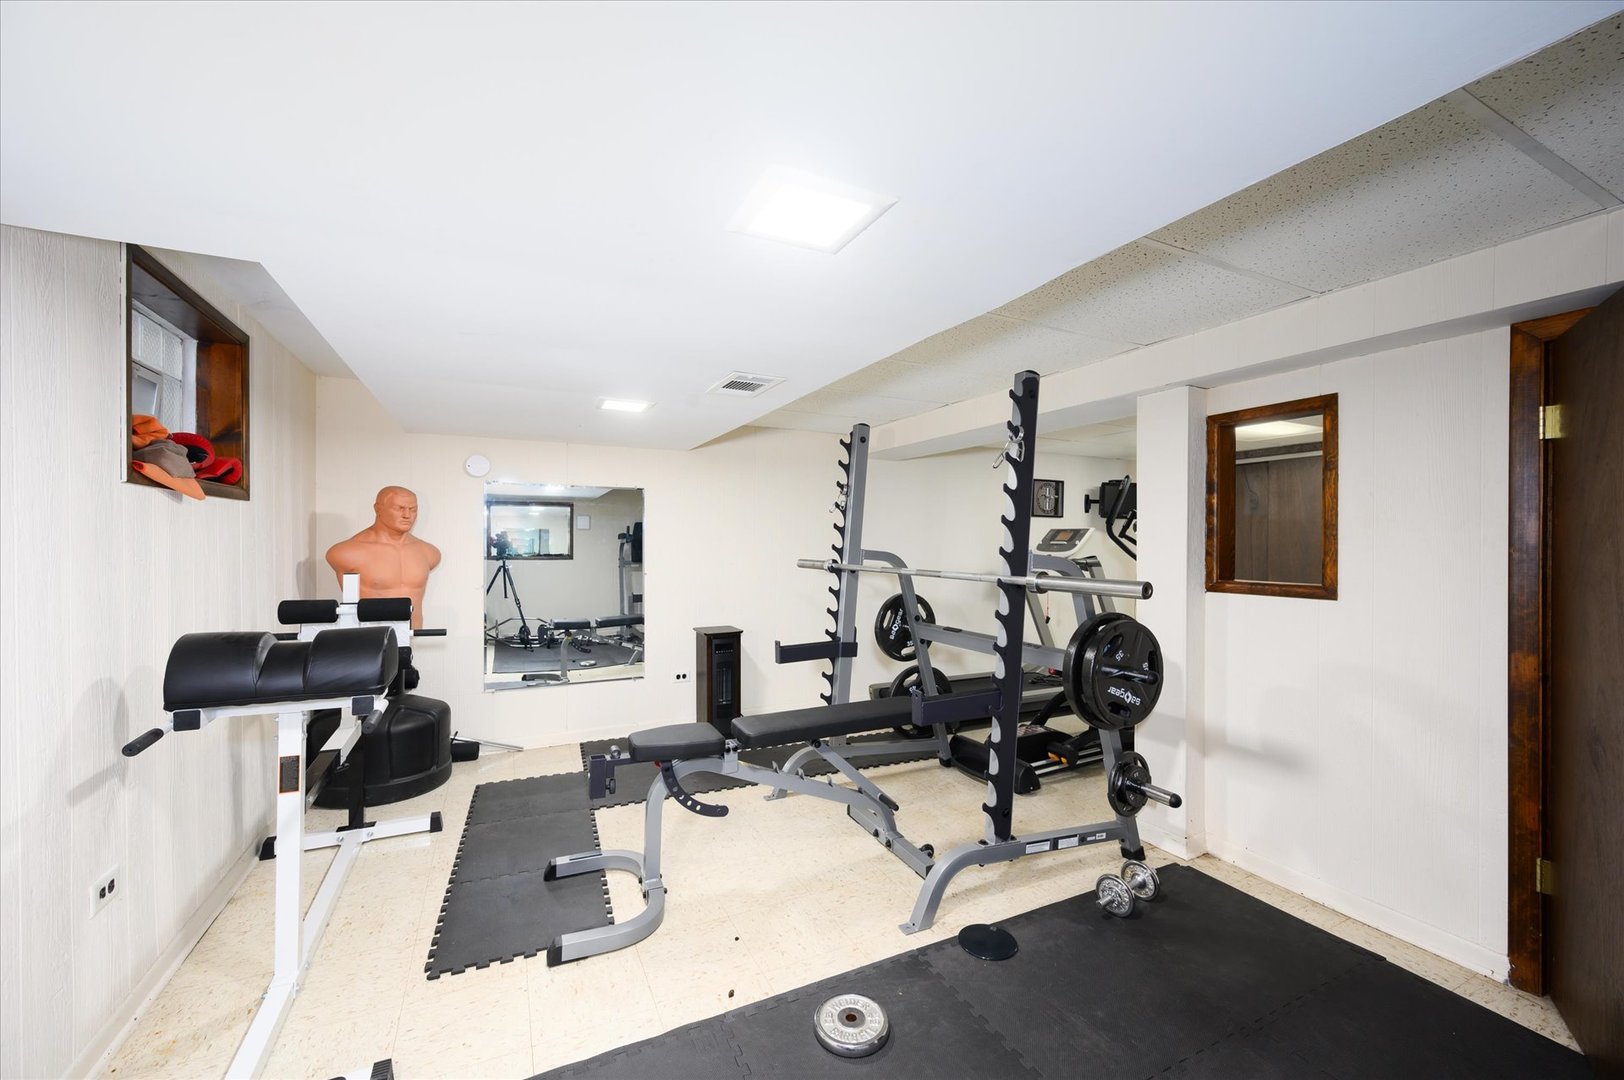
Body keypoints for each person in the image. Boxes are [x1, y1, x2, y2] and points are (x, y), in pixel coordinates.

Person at [326, 486, 442, 628]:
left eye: (413, 509)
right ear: (378, 509)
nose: (407, 515)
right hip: (368, 639)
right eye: (399, 508)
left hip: (410, 638)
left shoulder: (428, 552)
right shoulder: (347, 552)